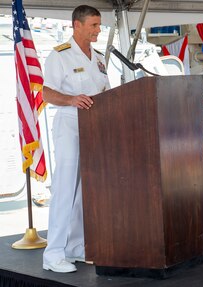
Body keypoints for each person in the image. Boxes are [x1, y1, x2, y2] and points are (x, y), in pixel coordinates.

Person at [42, 5, 110, 273]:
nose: (98, 30)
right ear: (76, 25)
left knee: (86, 190)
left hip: (96, 126)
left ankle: (75, 247)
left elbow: (106, 90)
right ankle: (53, 254)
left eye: (99, 25)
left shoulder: (99, 57)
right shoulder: (59, 55)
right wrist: (71, 99)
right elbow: (47, 92)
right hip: (70, 123)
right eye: (93, 25)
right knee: (65, 188)